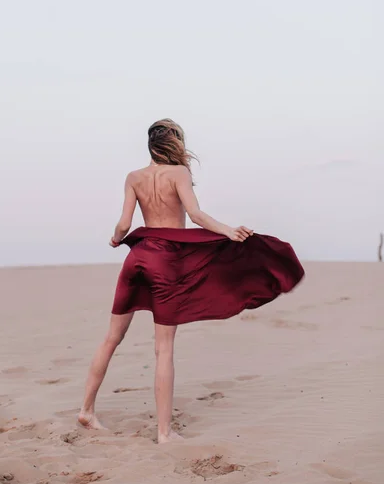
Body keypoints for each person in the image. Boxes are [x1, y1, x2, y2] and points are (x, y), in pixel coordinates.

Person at [79, 119, 304, 443]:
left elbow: (124, 223)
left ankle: (86, 410)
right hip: (165, 261)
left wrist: (117, 240)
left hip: (137, 257)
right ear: (175, 144)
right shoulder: (179, 174)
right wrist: (228, 231)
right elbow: (196, 215)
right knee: (164, 349)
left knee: (111, 338)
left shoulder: (133, 177)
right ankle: (164, 433)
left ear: (150, 145)